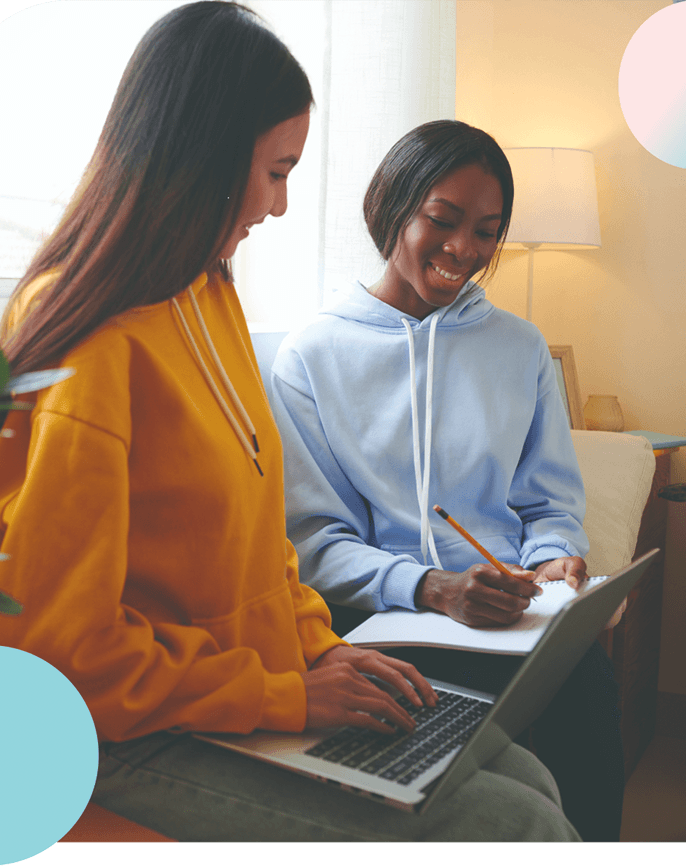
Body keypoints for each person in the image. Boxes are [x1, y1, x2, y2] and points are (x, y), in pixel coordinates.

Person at [0, 4, 580, 842]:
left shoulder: (210, 292)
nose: (282, 206)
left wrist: (320, 647)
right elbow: (66, 656)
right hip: (125, 729)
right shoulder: (94, 341)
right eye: (275, 171)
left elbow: (260, 555)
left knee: (532, 776)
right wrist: (284, 694)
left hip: (238, 685)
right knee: (513, 824)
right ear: (203, 156)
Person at [269, 120, 625, 841]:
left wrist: (549, 558)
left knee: (585, 687)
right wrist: (433, 588)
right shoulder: (312, 355)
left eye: (488, 231)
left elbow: (548, 503)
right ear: (394, 206)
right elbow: (314, 541)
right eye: (444, 220)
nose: (465, 249)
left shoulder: (519, 348)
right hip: (387, 622)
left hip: (517, 619)